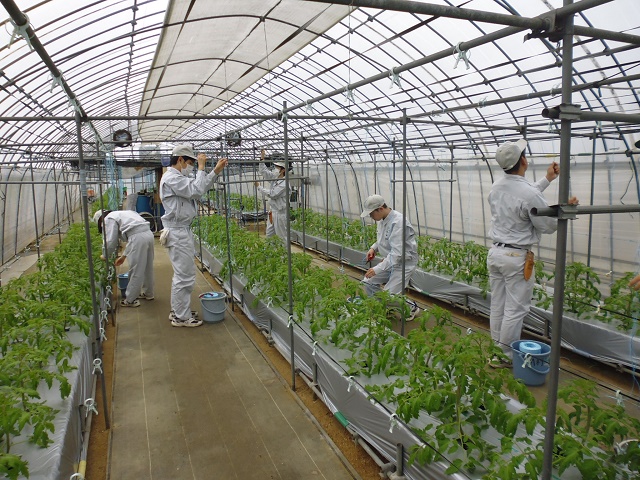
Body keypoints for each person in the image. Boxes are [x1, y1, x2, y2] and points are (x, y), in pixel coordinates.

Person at [487, 138, 579, 368]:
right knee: (515, 309)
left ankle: (496, 350)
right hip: (515, 257)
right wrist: (565, 211)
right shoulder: (527, 193)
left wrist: (548, 179)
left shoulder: (496, 186)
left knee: (498, 304)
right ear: (524, 161)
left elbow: (525, 196)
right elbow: (546, 225)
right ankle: (505, 355)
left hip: (496, 253)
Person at [160, 145, 228, 327]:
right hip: (177, 232)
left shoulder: (179, 178)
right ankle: (181, 317)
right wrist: (201, 167)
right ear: (180, 160)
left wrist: (215, 171)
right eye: (190, 163)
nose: (191, 167)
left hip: (181, 230)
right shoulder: (171, 178)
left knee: (183, 274)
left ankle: (178, 311)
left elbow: (199, 187)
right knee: (185, 276)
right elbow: (196, 190)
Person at [359, 194, 419, 320]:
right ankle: (382, 308)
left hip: (404, 263)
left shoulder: (399, 222)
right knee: (368, 282)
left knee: (389, 296)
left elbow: (397, 253)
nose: (371, 216)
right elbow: (382, 239)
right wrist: (373, 248)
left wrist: (377, 269)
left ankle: (411, 307)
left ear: (380, 209)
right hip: (390, 261)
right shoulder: (382, 220)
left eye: (371, 213)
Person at [94, 209, 155, 307]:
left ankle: (130, 300)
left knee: (136, 269)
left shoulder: (108, 219)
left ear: (100, 219)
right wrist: (123, 256)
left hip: (138, 238)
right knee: (147, 267)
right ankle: (148, 293)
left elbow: (111, 241)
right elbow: (133, 236)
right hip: (149, 234)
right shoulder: (122, 213)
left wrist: (105, 255)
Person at [254, 150, 289, 241]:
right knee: (269, 236)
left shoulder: (284, 183)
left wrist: (259, 187)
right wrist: (262, 158)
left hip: (280, 214)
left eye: (277, 167)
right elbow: (264, 171)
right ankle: (269, 250)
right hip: (272, 212)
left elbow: (272, 194)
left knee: (282, 237)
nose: (275, 169)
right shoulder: (275, 178)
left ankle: (284, 251)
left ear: (283, 170)